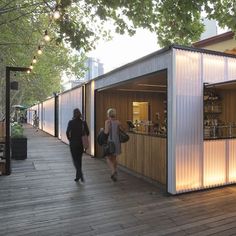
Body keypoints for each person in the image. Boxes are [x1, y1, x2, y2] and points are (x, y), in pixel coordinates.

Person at [66, 108, 89, 182]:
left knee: (75, 160)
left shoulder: (71, 122)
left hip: (73, 143)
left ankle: (80, 174)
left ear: (74, 114)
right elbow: (87, 132)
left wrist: (70, 139)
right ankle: (78, 176)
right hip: (81, 143)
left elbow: (67, 132)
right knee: (79, 160)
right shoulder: (83, 122)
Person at [104, 108, 123, 182]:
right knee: (114, 158)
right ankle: (115, 172)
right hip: (117, 142)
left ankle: (113, 171)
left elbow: (106, 132)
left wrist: (102, 130)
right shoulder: (118, 122)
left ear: (108, 114)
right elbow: (121, 131)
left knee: (108, 157)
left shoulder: (107, 122)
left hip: (110, 142)